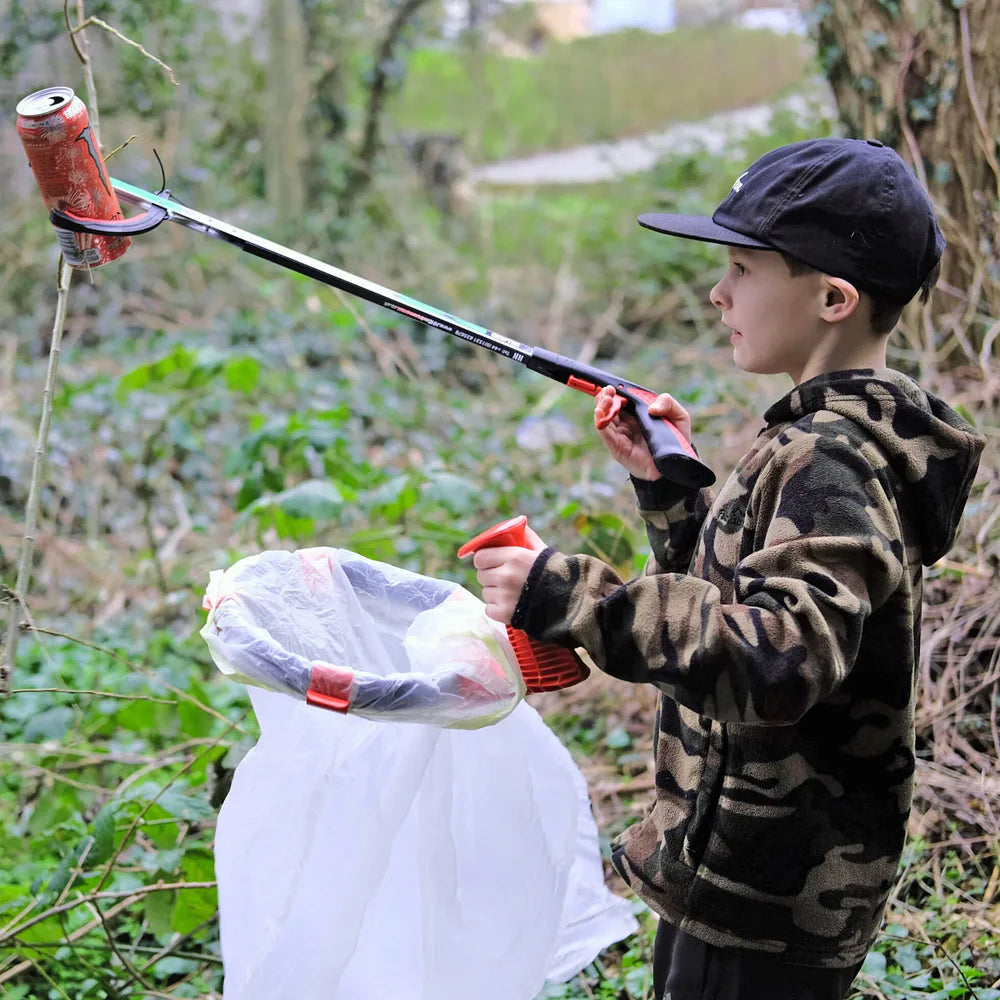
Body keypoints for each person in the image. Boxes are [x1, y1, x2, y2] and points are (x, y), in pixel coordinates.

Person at [471, 137, 985, 999]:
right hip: (748, 875)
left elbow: (777, 661)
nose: (717, 293)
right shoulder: (821, 438)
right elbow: (753, 602)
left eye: (743, 269)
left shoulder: (830, 460)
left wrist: (571, 595)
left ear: (832, 297)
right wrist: (669, 496)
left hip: (766, 895)